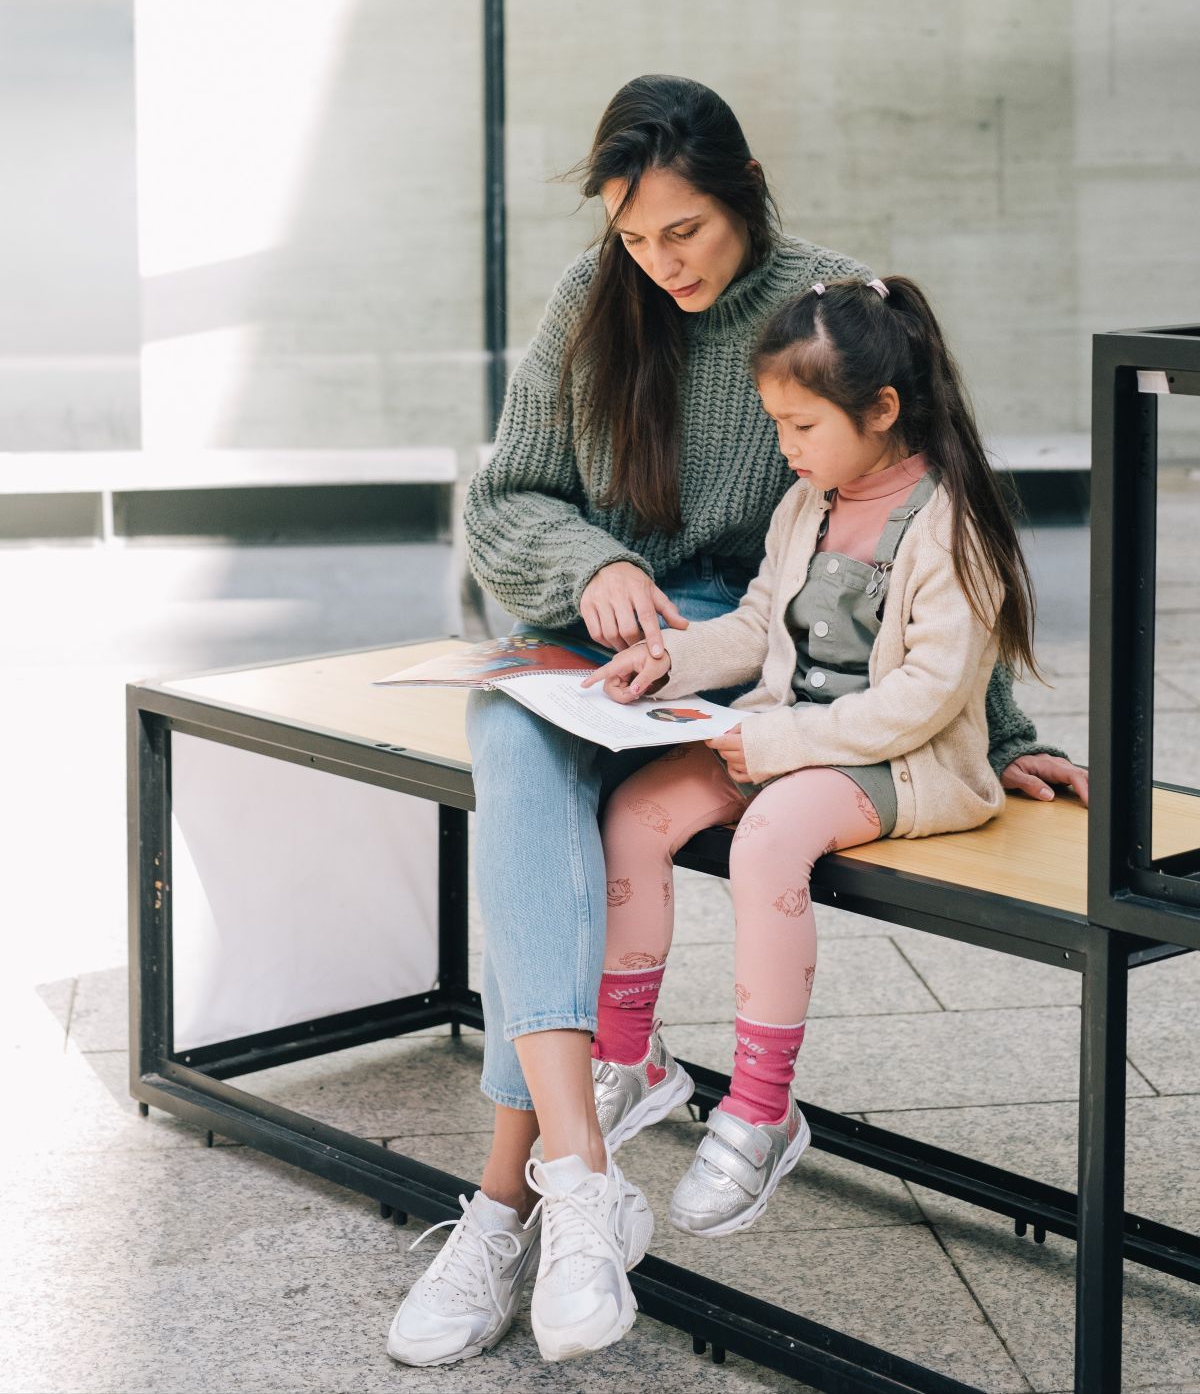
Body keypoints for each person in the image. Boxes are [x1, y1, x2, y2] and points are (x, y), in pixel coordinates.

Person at [386, 77, 1087, 1367]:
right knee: (516, 753)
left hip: (743, 641)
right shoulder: (592, 306)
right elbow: (506, 502)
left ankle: (508, 1201)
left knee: (532, 813)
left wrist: (998, 720)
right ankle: (577, 1186)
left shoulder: (833, 311)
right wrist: (592, 564)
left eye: (684, 233)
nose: (657, 264)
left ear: (744, 192)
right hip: (613, 630)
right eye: (634, 237)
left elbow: (926, 513)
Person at [589, 272, 1035, 1236]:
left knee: (768, 840)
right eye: (777, 425)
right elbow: (757, 624)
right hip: (786, 737)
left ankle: (761, 1106)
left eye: (801, 427)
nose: (785, 449)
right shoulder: (811, 504)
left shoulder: (951, 525)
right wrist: (666, 662)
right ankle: (630, 1057)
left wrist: (778, 743)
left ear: (882, 409)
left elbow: (925, 698)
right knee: (634, 813)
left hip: (898, 762)